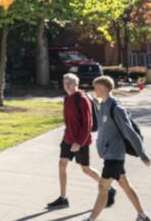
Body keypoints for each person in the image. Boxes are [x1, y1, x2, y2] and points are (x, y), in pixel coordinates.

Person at [84, 76, 151, 221]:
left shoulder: (116, 108)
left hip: (115, 155)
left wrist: (142, 154)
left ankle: (91, 219)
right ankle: (143, 216)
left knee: (103, 187)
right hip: (109, 154)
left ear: (105, 88)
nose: (95, 90)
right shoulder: (103, 104)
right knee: (124, 184)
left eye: (97, 87)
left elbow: (130, 132)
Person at [47, 74, 115, 210]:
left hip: (80, 140)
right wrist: (68, 137)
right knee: (62, 164)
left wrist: (78, 142)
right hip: (68, 138)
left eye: (70, 82)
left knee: (86, 169)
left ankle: (109, 188)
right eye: (65, 82)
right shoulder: (67, 98)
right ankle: (63, 198)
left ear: (76, 84)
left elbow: (88, 124)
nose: (67, 85)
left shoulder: (82, 99)